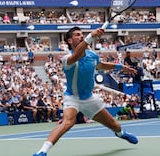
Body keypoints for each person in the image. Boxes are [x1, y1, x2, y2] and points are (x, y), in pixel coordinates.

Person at [32, 26, 138, 156]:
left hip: (90, 99)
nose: (81, 36)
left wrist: (120, 67)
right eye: (77, 35)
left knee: (114, 125)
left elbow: (100, 65)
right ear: (70, 41)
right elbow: (77, 54)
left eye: (82, 34)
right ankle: (42, 151)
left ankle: (121, 134)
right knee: (67, 123)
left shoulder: (92, 55)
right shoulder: (67, 59)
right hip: (72, 98)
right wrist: (90, 36)